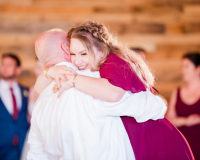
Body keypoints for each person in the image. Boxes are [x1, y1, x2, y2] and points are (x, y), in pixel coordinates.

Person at [47, 21, 194, 159]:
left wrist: (72, 80)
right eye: (73, 54)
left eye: (83, 54)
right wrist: (49, 71)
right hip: (142, 141)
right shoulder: (102, 64)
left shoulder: (114, 61)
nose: (76, 61)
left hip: (157, 143)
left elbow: (113, 93)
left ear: (102, 52)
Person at [28, 29, 167, 160]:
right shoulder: (93, 81)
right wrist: (159, 102)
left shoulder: (40, 104)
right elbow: (149, 107)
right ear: (65, 47)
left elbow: (36, 155)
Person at [166, 52, 200, 160]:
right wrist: (186, 121)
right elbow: (169, 119)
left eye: (187, 66)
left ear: (198, 69)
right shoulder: (177, 91)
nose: (183, 70)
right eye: (182, 67)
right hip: (183, 148)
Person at [0, 53, 29, 160]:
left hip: (23, 147)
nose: (5, 68)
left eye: (9, 65)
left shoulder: (26, 91)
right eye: (3, 64)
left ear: (18, 70)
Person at [20, 58, 44, 160]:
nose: (35, 71)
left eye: (38, 67)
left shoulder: (54, 90)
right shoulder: (31, 90)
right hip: (32, 136)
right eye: (35, 67)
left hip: (47, 137)